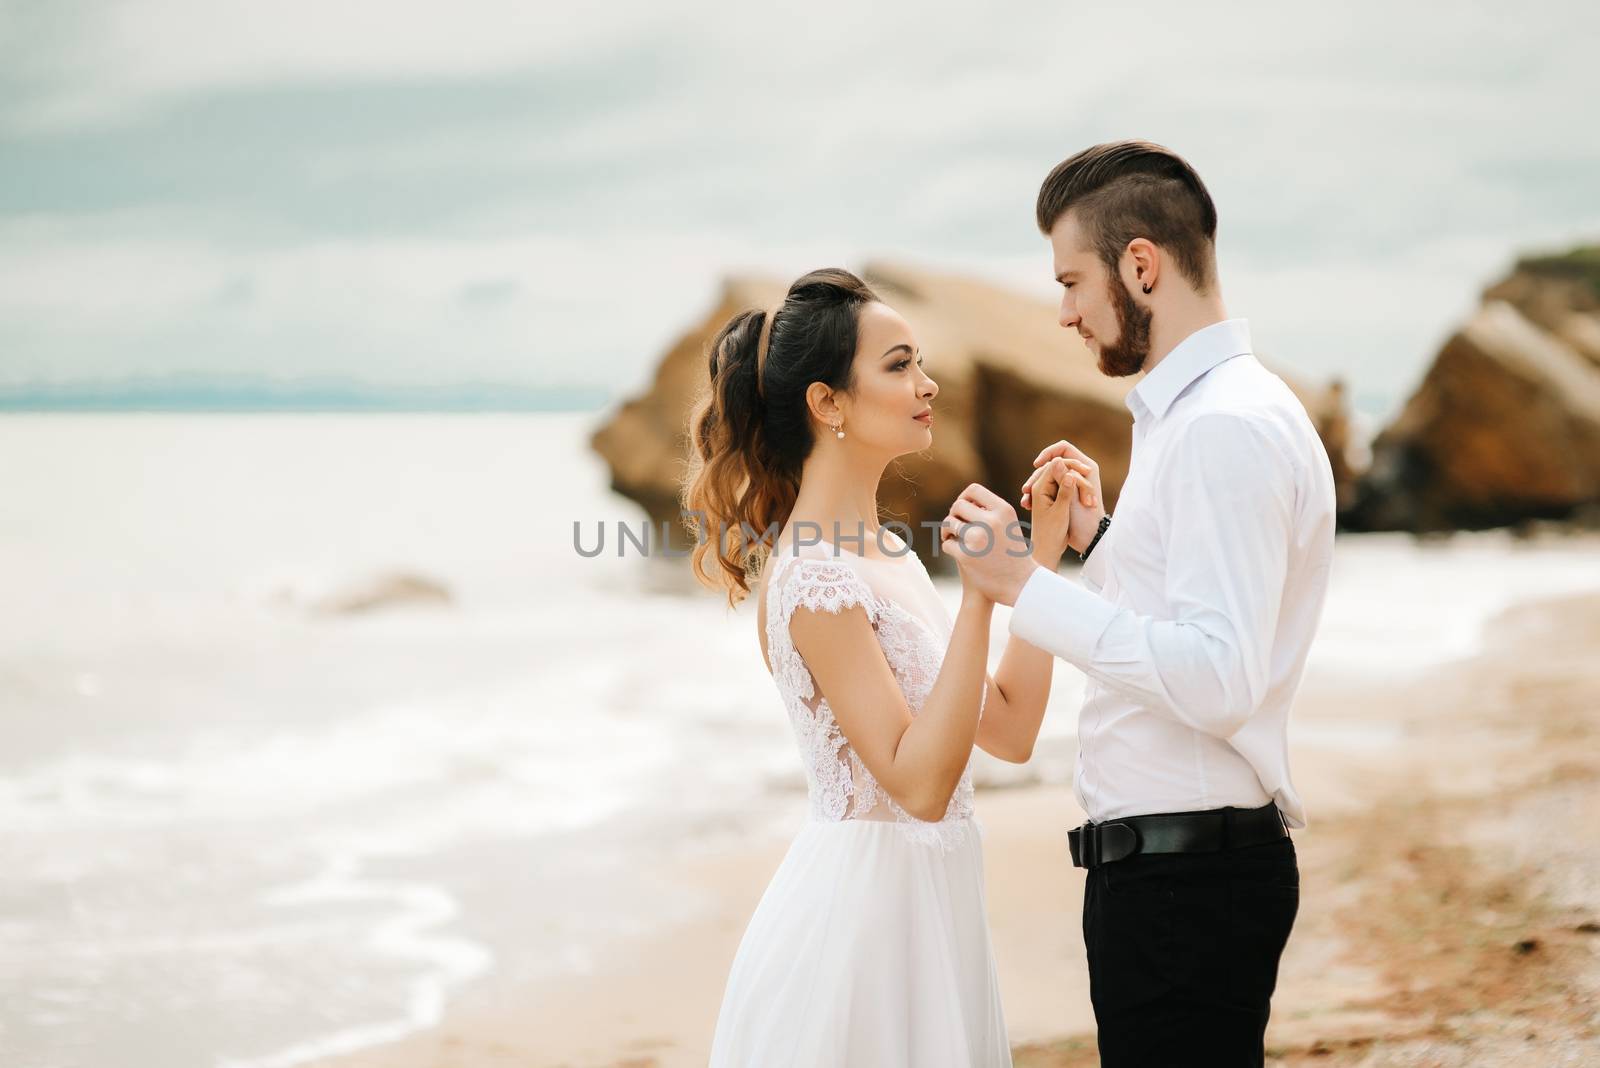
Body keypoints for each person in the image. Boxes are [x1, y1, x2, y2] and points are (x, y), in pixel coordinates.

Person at [943, 140, 1339, 1066]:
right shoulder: (1207, 416)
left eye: (1073, 280)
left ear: (1142, 266)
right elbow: (1201, 616)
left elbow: (1218, 677)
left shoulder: (1220, 429)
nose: (1066, 313)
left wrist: (1024, 587)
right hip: (1181, 875)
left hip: (1185, 884)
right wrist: (1104, 543)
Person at [684, 267, 1073, 1067]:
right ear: (827, 403)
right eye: (898, 365)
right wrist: (975, 601)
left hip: (932, 910)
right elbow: (919, 785)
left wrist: (1036, 562)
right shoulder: (813, 581)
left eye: (918, 362)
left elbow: (1010, 730)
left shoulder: (890, 555)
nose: (927, 384)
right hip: (859, 930)